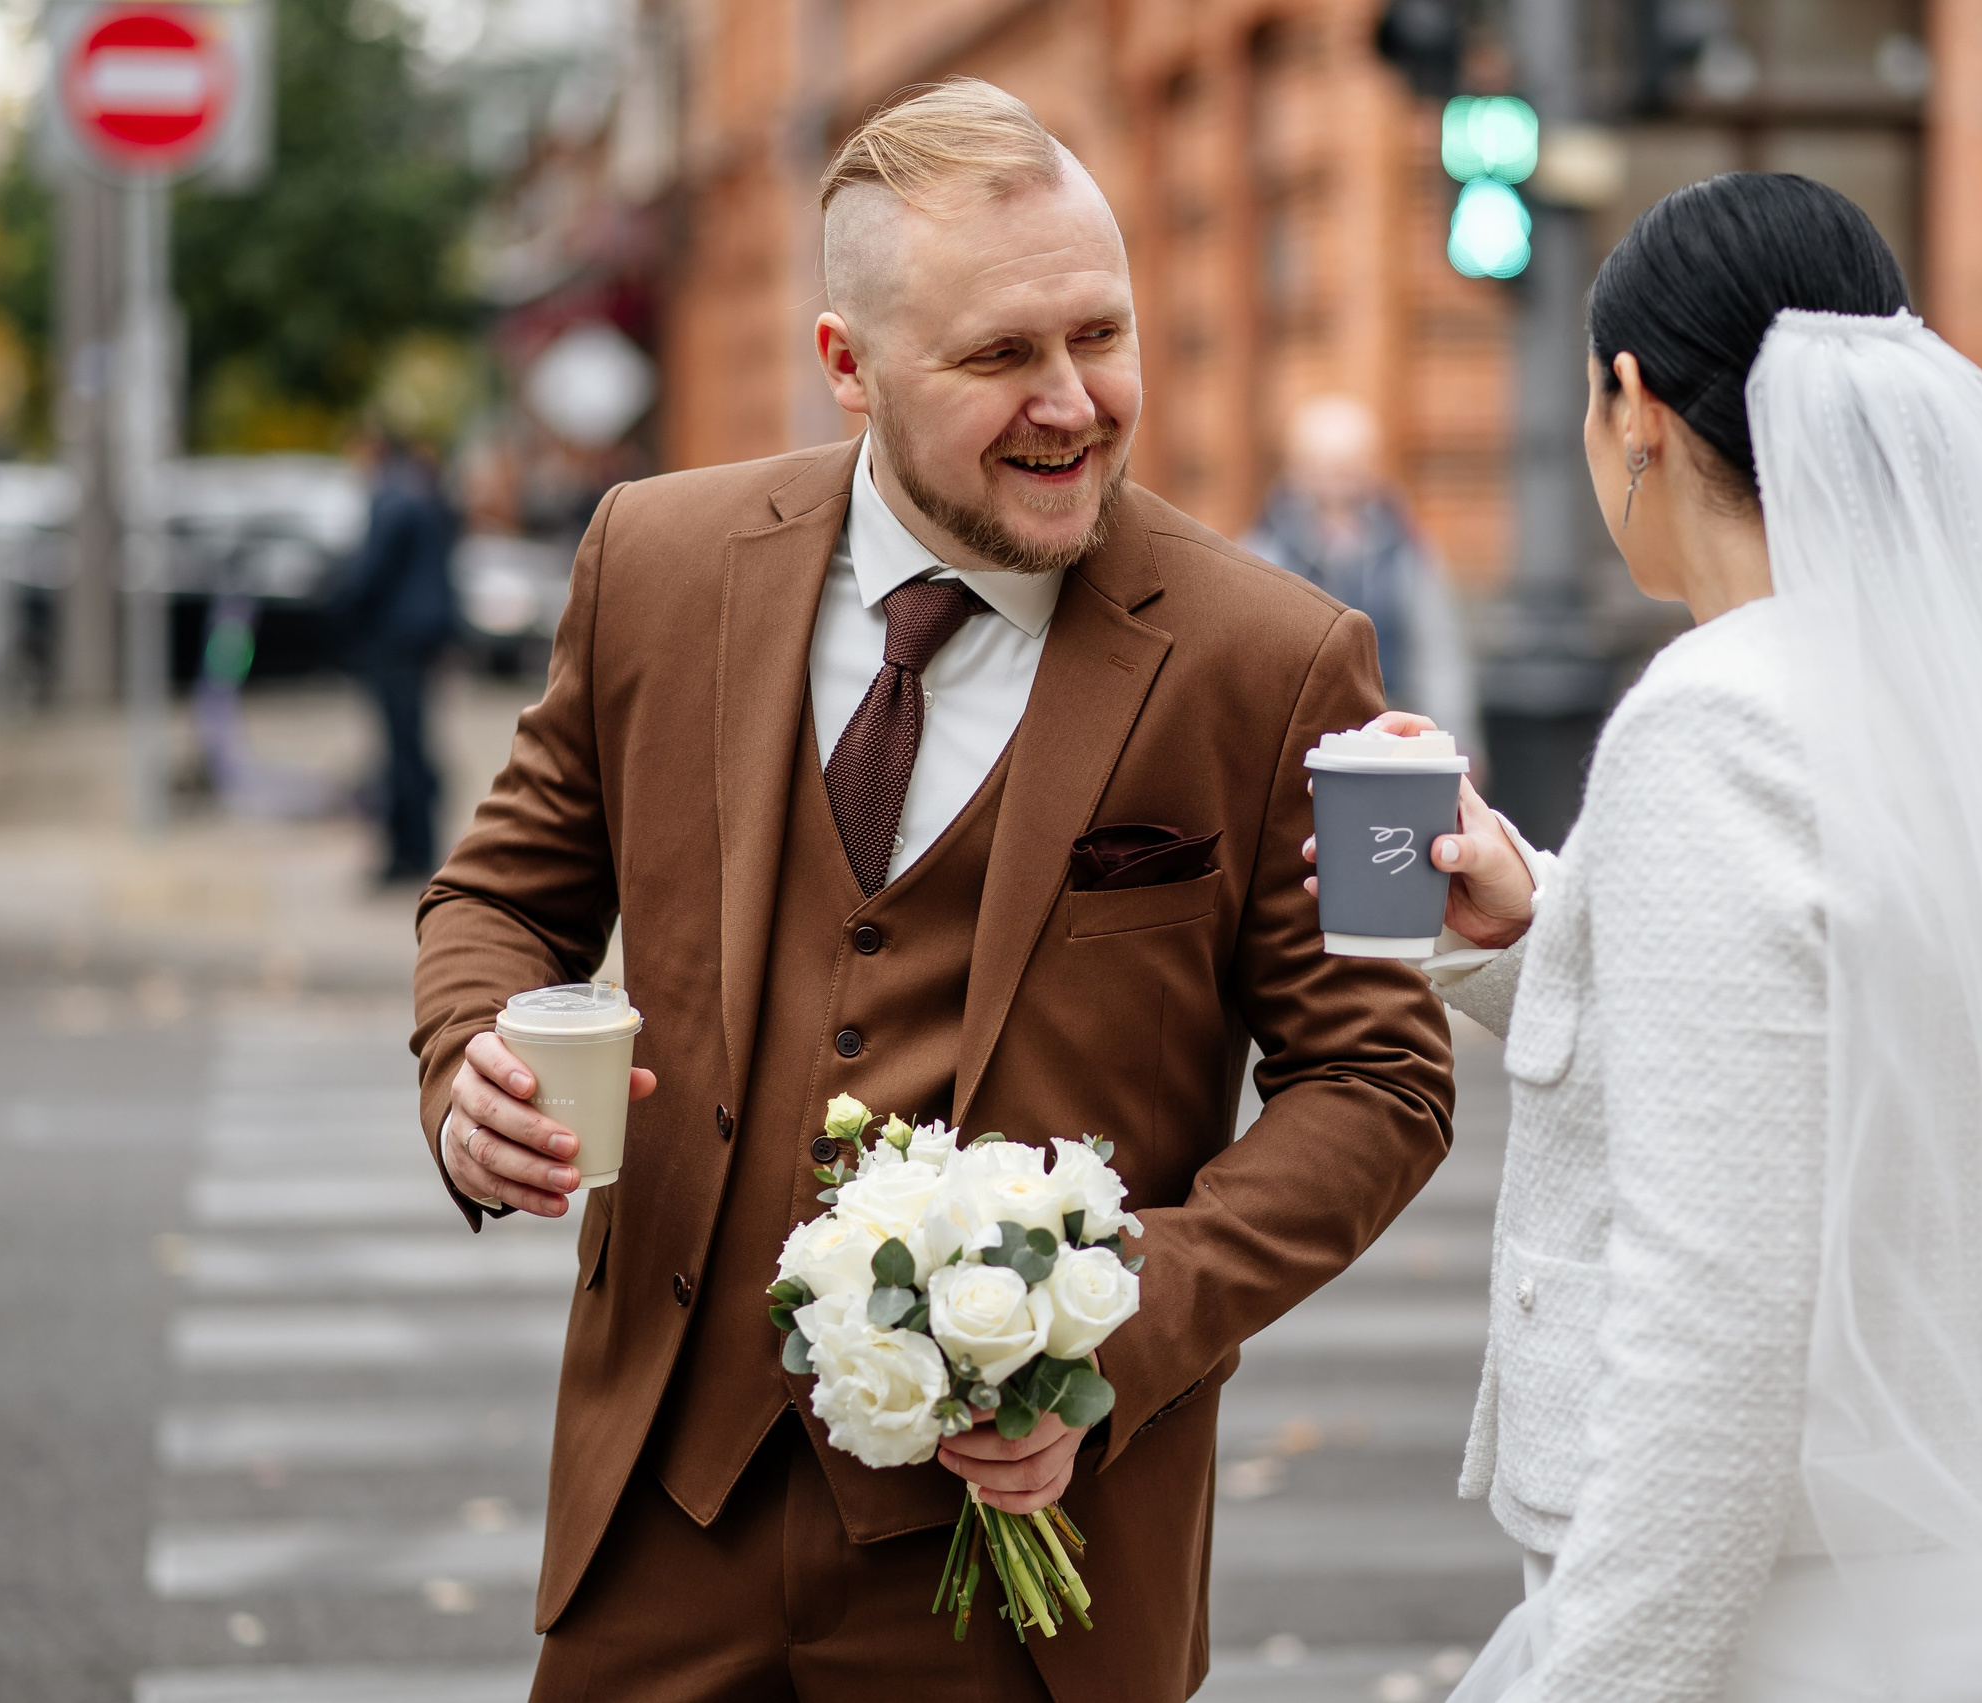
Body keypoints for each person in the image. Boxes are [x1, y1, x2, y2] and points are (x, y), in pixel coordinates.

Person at [410, 80, 1453, 1703]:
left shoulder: (1271, 658)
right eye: (998, 356)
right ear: (847, 365)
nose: (1074, 403)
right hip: (657, 1528)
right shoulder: (658, 563)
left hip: (1031, 1573)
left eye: (1099, 334)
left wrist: (1115, 1324)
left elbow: (1380, 1076)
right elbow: (502, 895)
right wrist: (468, 1063)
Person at [1307, 174, 1982, 1702]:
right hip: (1932, 1550)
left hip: (1772, 1617)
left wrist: (1594, 1676)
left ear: (1634, 408)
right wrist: (1548, 918)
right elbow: (1855, 1048)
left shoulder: (1715, 720)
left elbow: (1713, 1318)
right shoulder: (1957, 693)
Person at [1244, 396, 1485, 767]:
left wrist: (1457, 740)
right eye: (1324, 466)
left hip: (1392, 737)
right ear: (1297, 470)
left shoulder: (1404, 546)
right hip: (1295, 743)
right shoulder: (1265, 550)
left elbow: (1437, 647)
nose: (1337, 482)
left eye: (1348, 466)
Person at [333, 429, 460, 883]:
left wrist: (337, 609)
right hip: (423, 636)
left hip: (395, 639)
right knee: (413, 743)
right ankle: (417, 844)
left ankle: (408, 852)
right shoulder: (421, 493)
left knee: (400, 749)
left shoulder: (390, 500)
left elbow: (369, 574)